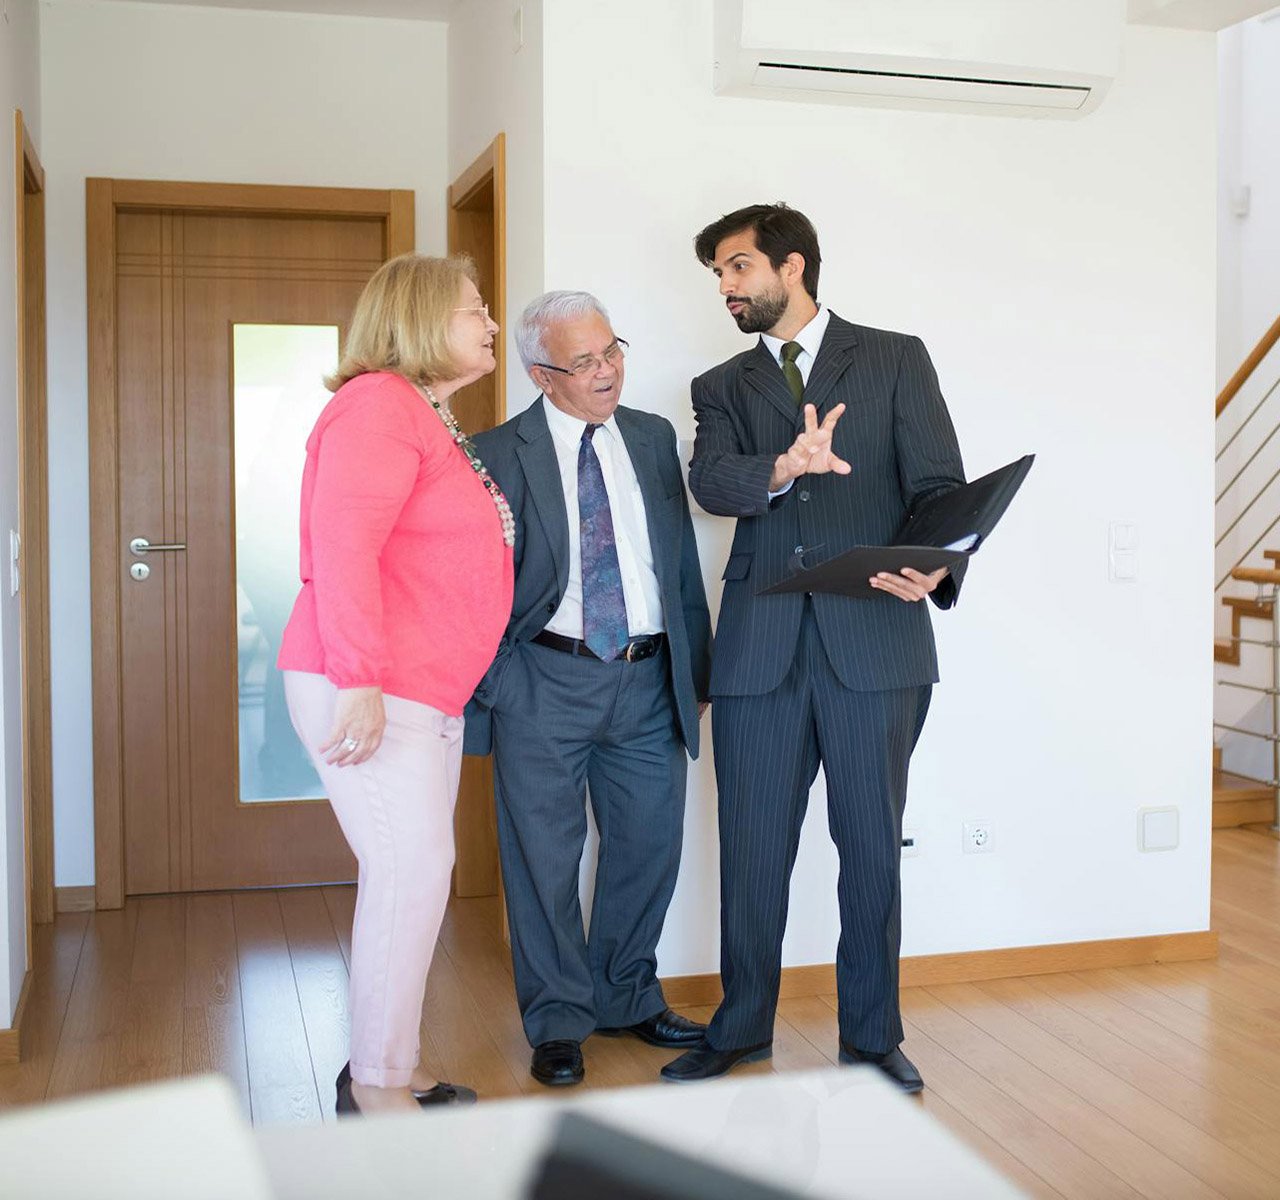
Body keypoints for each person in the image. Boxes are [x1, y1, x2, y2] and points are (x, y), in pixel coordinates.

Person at [662, 204, 966, 1093]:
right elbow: (709, 483)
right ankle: (741, 1027)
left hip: (875, 642)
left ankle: (872, 1039)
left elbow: (940, 487)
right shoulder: (720, 386)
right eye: (718, 274)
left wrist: (932, 568)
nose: (726, 287)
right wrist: (785, 466)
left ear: (792, 266)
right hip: (759, 649)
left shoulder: (895, 358)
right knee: (752, 850)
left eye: (738, 267)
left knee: (871, 848)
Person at [277, 253, 514, 1115]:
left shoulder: (425, 413)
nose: (491, 323)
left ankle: (392, 1061)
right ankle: (375, 1087)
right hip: (372, 683)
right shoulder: (377, 405)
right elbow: (344, 551)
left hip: (424, 689)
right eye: (475, 309)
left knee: (417, 876)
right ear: (421, 321)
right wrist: (361, 681)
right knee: (410, 872)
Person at [464, 291, 712, 1087]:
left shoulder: (651, 436)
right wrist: (501, 682)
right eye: (584, 362)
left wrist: (694, 670)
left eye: (612, 351)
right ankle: (558, 1020)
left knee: (648, 845)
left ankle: (626, 996)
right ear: (542, 374)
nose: (607, 371)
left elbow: (677, 561)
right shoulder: (495, 453)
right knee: (544, 859)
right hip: (544, 680)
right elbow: (469, 584)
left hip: (648, 676)